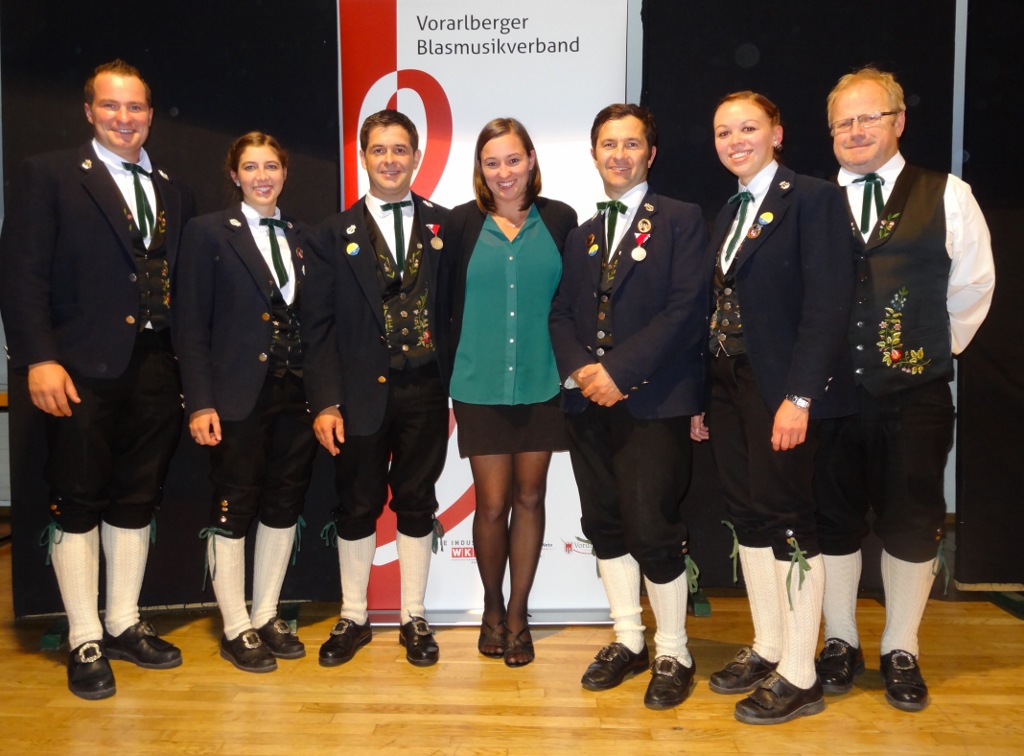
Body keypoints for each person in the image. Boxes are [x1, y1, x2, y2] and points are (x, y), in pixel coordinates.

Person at [0, 60, 194, 699]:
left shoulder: (172, 190)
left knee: (137, 497)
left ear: (150, 116)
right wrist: (38, 358)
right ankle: (84, 635)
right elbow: (22, 274)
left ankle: (123, 621)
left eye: (135, 107)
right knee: (78, 498)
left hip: (157, 367)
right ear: (89, 112)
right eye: (111, 106)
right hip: (78, 368)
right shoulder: (49, 174)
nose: (123, 118)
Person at [814, 67, 995, 712]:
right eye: (843, 122)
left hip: (915, 396)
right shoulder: (811, 201)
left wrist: (924, 350)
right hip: (830, 395)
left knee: (913, 521)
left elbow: (973, 286)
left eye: (869, 117)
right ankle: (839, 640)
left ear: (898, 121)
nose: (855, 131)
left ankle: (900, 646)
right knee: (830, 520)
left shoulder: (947, 194)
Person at [695, 91, 856, 725]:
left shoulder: (812, 198)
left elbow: (828, 303)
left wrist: (799, 396)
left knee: (789, 519)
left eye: (748, 128)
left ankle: (801, 673)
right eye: (723, 131)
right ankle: (769, 646)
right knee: (749, 515)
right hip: (727, 385)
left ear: (777, 133)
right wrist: (703, 394)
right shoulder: (728, 211)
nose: (735, 140)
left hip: (780, 389)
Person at [549, 104, 710, 710]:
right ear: (594, 154)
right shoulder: (582, 234)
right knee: (605, 524)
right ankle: (629, 639)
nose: (619, 155)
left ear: (651, 154)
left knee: (653, 528)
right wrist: (582, 371)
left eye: (631, 144)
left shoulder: (682, 219)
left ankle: (674, 651)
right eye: (608, 145)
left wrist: (617, 372)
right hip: (588, 403)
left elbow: (686, 310)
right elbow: (561, 313)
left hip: (653, 400)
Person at [303, 110, 451, 668]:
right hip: (357, 394)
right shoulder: (330, 234)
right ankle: (354, 615)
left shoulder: (446, 227)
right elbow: (317, 327)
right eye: (379, 150)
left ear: (416, 156)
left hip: (427, 389)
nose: (390, 160)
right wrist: (325, 400)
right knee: (357, 504)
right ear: (363, 157)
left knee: (417, 500)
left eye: (400, 149)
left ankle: (414, 614)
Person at [173, 132, 318, 673]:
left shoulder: (303, 236)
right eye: (251, 167)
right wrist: (199, 402)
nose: (262, 176)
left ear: (285, 173)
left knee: (284, 502)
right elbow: (189, 326)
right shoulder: (207, 232)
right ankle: (235, 625)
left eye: (271, 166)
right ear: (234, 175)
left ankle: (266, 613)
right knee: (234, 505)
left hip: (296, 394)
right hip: (235, 396)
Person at [447, 118, 577, 667]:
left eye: (513, 159)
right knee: (492, 502)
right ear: (480, 168)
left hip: (542, 380)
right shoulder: (460, 224)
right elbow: (443, 303)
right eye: (491, 162)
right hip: (478, 383)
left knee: (530, 497)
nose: (504, 172)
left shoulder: (561, 219)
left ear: (531, 160)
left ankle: (519, 615)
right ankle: (492, 607)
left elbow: (574, 300)